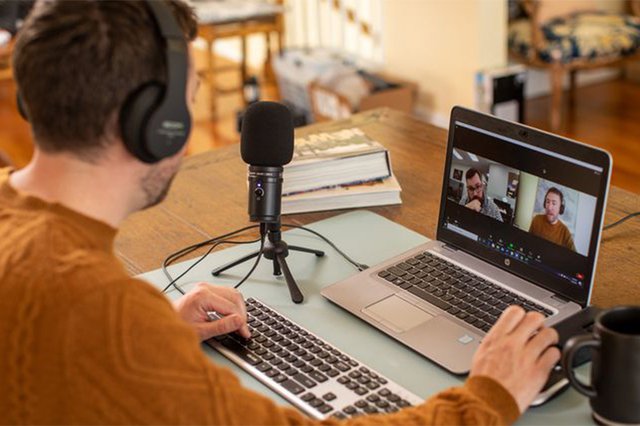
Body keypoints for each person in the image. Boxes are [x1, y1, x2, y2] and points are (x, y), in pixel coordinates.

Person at [0, 1, 560, 424]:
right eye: (190, 98)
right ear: (157, 124)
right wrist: (488, 397)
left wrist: (154, 334)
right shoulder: (95, 310)